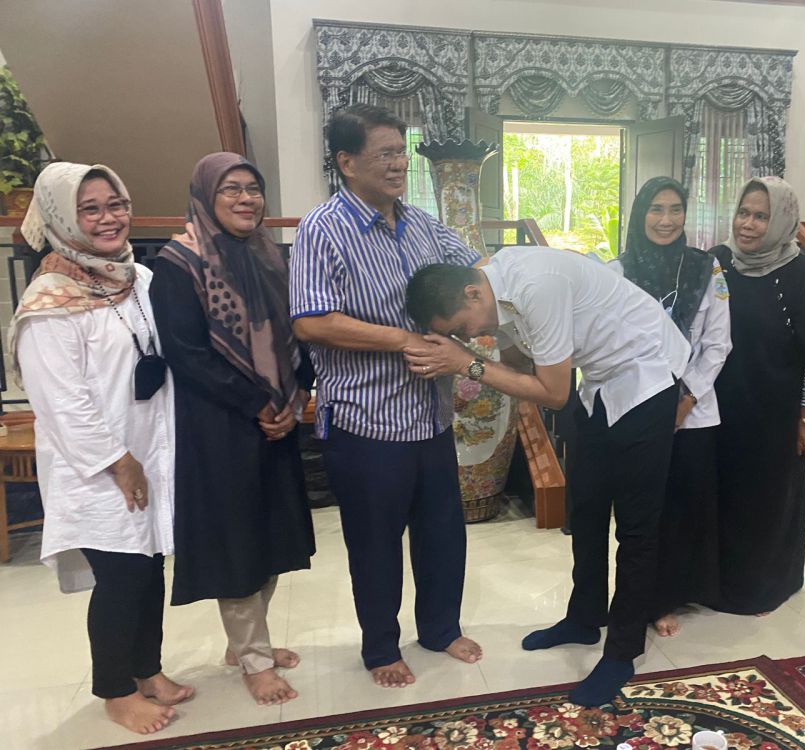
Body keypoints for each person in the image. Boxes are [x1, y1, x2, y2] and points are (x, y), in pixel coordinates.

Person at [404, 245, 692, 707]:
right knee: (586, 509)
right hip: (601, 380)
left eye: (461, 327)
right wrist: (474, 359)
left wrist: (466, 363)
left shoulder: (537, 286)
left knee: (636, 525)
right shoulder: (491, 289)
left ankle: (622, 651)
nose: (467, 336)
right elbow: (519, 366)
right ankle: (584, 618)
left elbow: (554, 394)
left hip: (647, 372)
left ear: (473, 294)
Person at [289, 103, 483, 689]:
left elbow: (476, 269)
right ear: (347, 162)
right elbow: (311, 320)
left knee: (442, 533)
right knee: (375, 545)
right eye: (385, 154)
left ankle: (441, 629)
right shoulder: (322, 229)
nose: (399, 164)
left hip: (430, 416)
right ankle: (380, 648)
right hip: (366, 422)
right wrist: (402, 339)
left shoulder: (422, 224)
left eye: (401, 152)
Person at [11, 162, 192, 734]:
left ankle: (148, 670)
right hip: (95, 466)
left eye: (116, 204)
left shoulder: (138, 278)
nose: (108, 218)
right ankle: (116, 690)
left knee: (150, 565)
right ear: (63, 219)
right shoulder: (49, 302)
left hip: (149, 450)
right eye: (90, 209)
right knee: (121, 577)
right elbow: (61, 403)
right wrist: (119, 461)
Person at [150, 153, 316, 706]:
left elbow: (296, 332)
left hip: (276, 416)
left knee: (271, 532)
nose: (246, 199)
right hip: (221, 423)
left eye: (253, 188)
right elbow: (187, 354)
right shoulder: (178, 263)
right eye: (231, 189)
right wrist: (259, 403)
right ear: (205, 196)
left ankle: (243, 644)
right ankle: (254, 659)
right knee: (239, 540)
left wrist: (295, 395)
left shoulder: (270, 255)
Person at [710, 176, 805, 615]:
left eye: (761, 216)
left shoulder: (800, 274)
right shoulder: (718, 261)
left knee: (765, 499)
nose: (747, 224)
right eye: (743, 213)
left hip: (772, 413)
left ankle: (763, 588)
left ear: (781, 220)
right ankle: (711, 584)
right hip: (716, 407)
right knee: (717, 495)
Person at [619, 177, 731, 637]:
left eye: (675, 209)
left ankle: (677, 594)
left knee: (685, 505)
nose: (666, 220)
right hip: (639, 405)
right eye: (656, 209)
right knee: (647, 509)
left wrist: (686, 400)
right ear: (639, 214)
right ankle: (647, 597)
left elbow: (718, 343)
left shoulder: (708, 269)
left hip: (694, 409)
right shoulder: (619, 270)